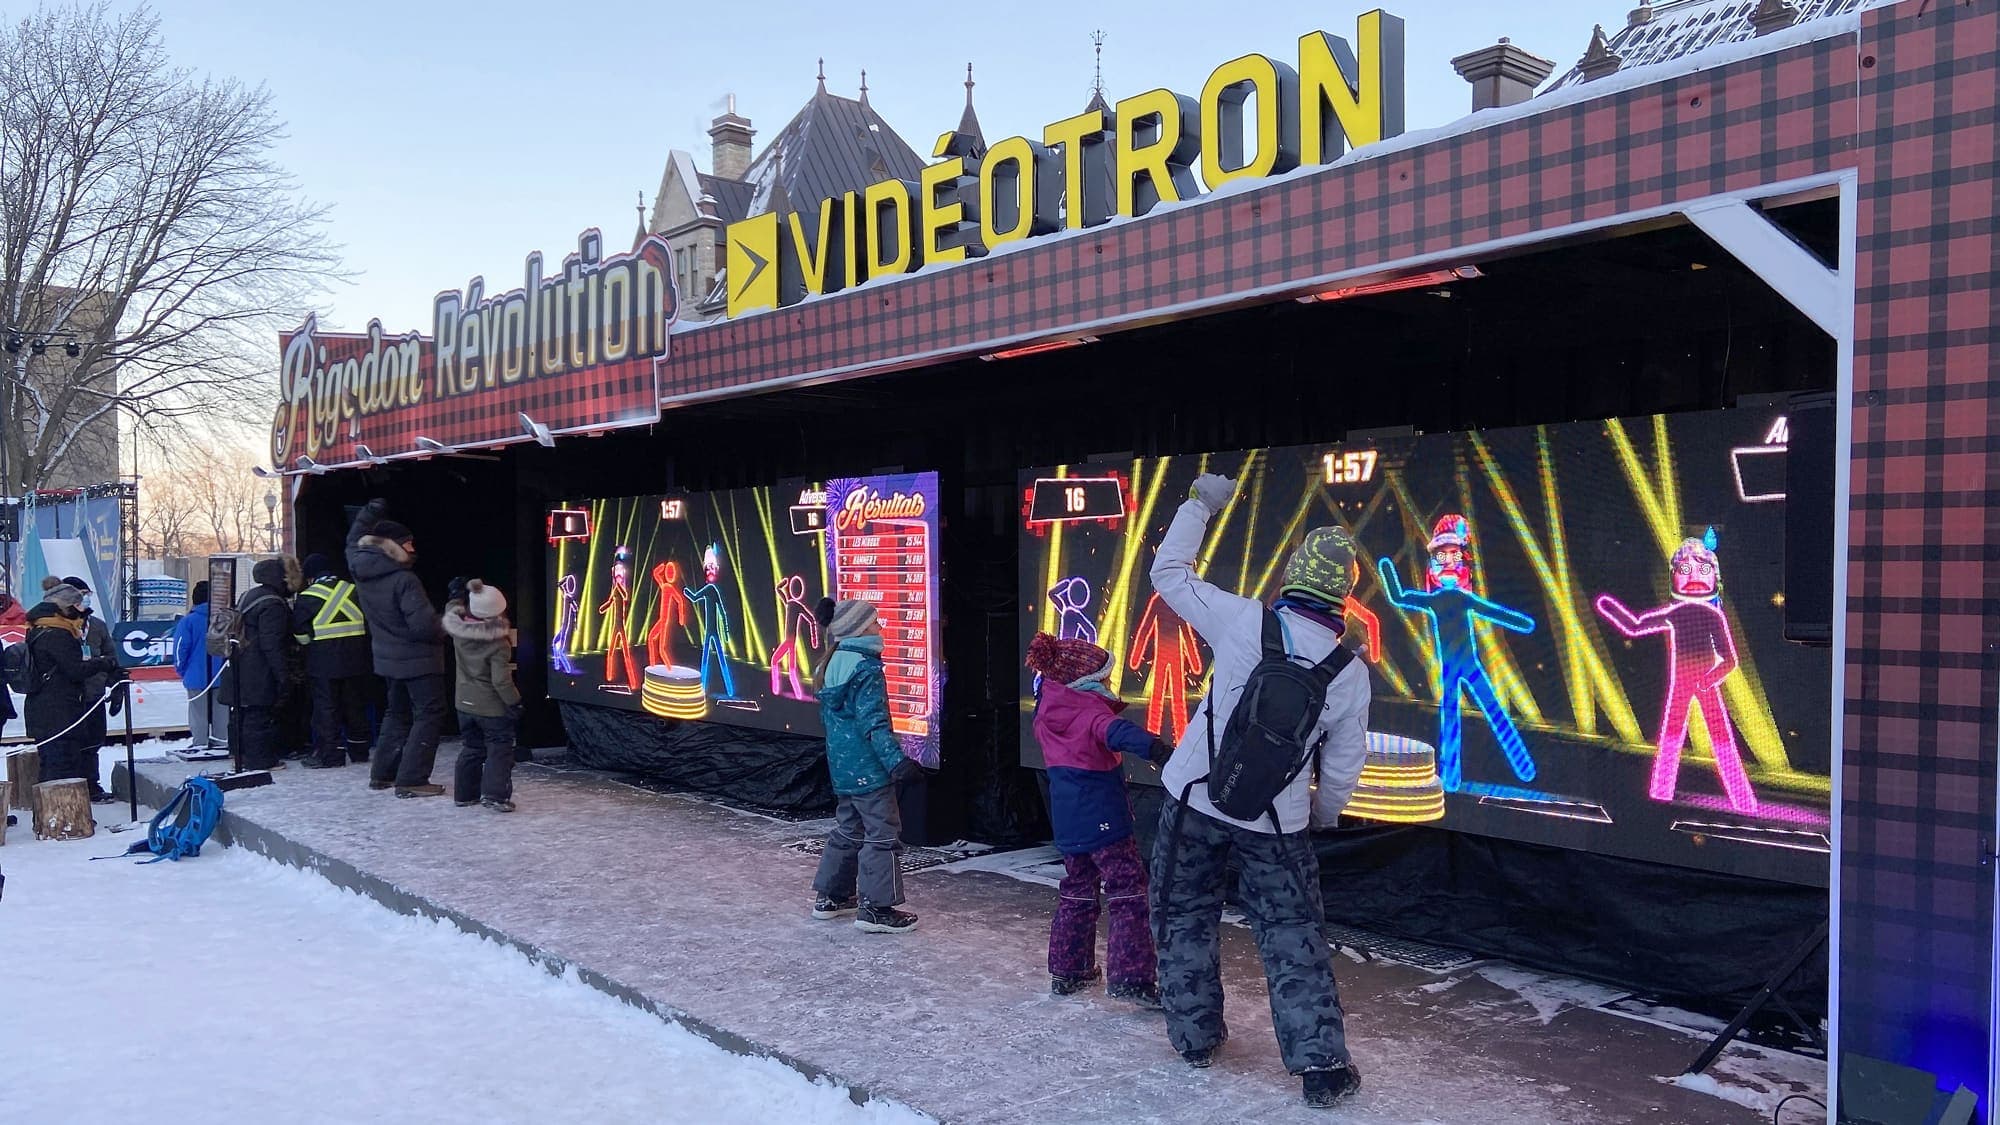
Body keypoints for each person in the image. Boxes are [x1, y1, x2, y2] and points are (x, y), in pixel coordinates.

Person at [1147, 473, 1370, 1108]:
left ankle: (1194, 1037)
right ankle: (1321, 1067)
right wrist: (1321, 813)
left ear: (1294, 576)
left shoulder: (1243, 619)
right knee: (1292, 933)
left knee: (1182, 912)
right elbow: (1345, 762)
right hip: (1278, 823)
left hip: (1193, 798)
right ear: (1342, 595)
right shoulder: (1348, 672)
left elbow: (1168, 573)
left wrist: (1200, 505)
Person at [1024, 631, 1172, 1007]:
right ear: (1087, 679)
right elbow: (1116, 731)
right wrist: (1158, 749)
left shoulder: (1047, 710)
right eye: (1105, 676)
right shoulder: (1089, 710)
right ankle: (1132, 977)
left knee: (1078, 887)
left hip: (1068, 819)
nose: (1109, 682)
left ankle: (1069, 970)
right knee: (1128, 890)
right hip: (1104, 817)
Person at [809, 598, 918, 935]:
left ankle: (832, 896)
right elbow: (874, 724)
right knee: (882, 834)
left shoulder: (830, 664)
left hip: (843, 769)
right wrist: (897, 763)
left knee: (848, 829)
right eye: (874, 622)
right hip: (870, 770)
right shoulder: (866, 669)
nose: (880, 627)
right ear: (859, 629)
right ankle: (876, 909)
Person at [346, 499, 448, 798]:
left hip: (388, 659)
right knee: (429, 713)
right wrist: (449, 621)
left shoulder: (361, 568)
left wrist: (368, 514)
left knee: (397, 713)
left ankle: (383, 774)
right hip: (419, 660)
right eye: (408, 543)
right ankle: (412, 779)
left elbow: (352, 540)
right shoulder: (404, 579)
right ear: (393, 546)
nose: (413, 548)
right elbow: (424, 627)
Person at [23, 584, 122, 801]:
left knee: (55, 763)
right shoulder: (57, 634)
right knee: (61, 766)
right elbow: (75, 669)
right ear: (66, 608)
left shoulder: (39, 627)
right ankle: (59, 813)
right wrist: (102, 663)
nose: (81, 614)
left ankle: (52, 812)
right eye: (78, 606)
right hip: (58, 711)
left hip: (47, 709)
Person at [444, 580, 521, 812]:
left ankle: (465, 795)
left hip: (463, 704)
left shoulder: (458, 630)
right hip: (491, 708)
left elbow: (451, 609)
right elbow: (501, 681)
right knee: (499, 748)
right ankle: (495, 796)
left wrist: (456, 596)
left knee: (472, 747)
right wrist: (514, 702)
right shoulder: (498, 643)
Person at [293, 554, 375, 769]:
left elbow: (300, 634)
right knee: (355, 705)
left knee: (327, 709)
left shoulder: (307, 596)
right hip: (357, 660)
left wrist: (311, 646)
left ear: (310, 576)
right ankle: (360, 750)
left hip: (323, 663)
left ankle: (331, 755)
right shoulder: (354, 590)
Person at [220, 559, 298, 772]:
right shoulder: (273, 603)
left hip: (239, 663)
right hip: (258, 669)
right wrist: (282, 674)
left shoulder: (248, 596)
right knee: (258, 715)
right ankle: (260, 761)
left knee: (240, 713)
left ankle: (239, 755)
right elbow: (272, 643)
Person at [55, 577, 114, 751]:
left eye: (88, 594)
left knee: (94, 744)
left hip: (94, 696)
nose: (86, 598)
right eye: (81, 594)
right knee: (70, 749)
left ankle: (92, 770)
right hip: (67, 700)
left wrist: (113, 681)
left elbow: (111, 656)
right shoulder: (57, 627)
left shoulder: (97, 625)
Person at [171, 582, 229, 752]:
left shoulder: (188, 621)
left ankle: (200, 744)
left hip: (195, 676)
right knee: (221, 713)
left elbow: (180, 649)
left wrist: (183, 671)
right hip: (221, 675)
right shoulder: (222, 620)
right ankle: (222, 743)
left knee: (198, 714)